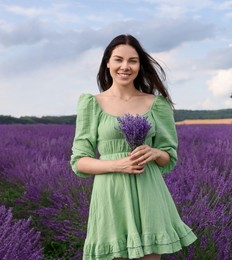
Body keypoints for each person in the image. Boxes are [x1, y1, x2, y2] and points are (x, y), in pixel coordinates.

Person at [70, 34, 197, 260]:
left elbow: (169, 157)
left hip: (149, 193)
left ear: (140, 65)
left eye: (132, 61)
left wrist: (156, 152)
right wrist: (117, 164)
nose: (125, 67)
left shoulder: (157, 104)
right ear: (107, 62)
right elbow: (79, 161)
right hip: (111, 194)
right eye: (118, 59)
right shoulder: (92, 104)